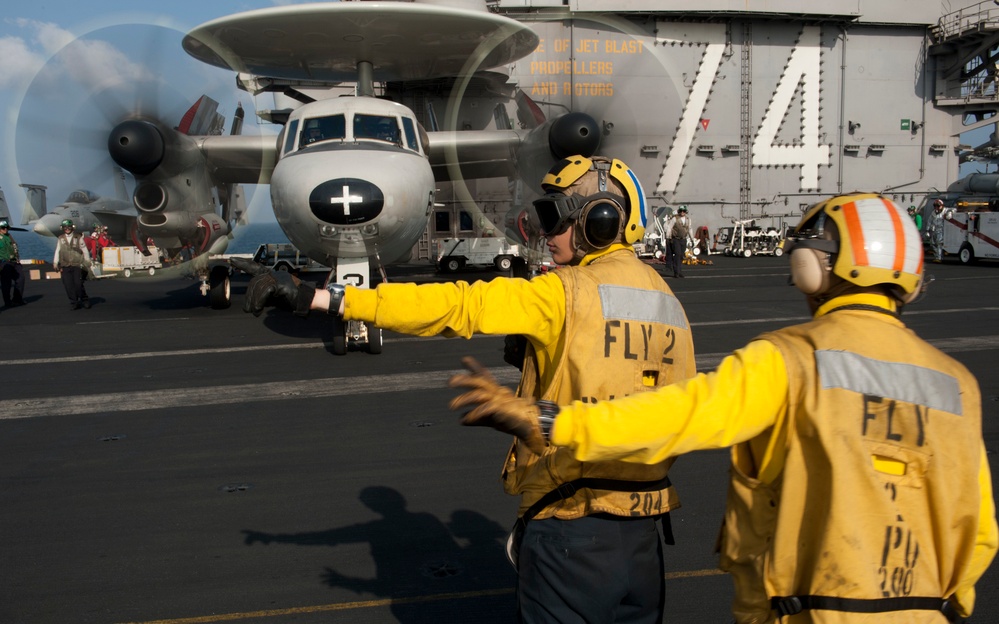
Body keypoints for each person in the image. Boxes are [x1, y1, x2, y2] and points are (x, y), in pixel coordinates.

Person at [448, 192, 998, 624]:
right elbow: (979, 536)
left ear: (816, 267)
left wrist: (550, 419)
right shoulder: (958, 386)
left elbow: (671, 417)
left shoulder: (788, 362)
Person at [236, 155, 697, 623]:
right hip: (644, 540)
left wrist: (325, 296)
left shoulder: (563, 291)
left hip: (571, 531)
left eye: (556, 218)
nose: (546, 233)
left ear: (600, 220)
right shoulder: (671, 305)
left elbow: (458, 305)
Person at [53, 218, 91, 310]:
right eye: (65, 227)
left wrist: (87, 261)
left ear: (72, 227)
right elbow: (58, 250)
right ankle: (74, 302)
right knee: (68, 285)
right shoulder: (60, 238)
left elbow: (85, 250)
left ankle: (84, 299)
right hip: (65, 265)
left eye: (69, 227)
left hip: (77, 264)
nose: (67, 229)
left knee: (78, 284)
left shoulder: (78, 237)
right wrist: (55, 262)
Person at [0, 219, 25, 307]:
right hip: (4, 262)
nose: (5, 229)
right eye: (3, 228)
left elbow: (14, 248)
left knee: (21, 279)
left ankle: (17, 299)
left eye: (7, 227)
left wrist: (17, 258)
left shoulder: (9, 236)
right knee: (6, 283)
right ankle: (7, 302)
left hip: (14, 262)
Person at [667, 205, 692, 278]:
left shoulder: (688, 219)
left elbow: (690, 229)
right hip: (676, 239)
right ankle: (676, 272)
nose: (682, 212)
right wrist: (668, 237)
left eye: (683, 211)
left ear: (685, 212)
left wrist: (692, 238)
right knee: (677, 254)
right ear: (679, 211)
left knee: (681, 255)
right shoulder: (675, 219)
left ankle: (680, 271)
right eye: (681, 211)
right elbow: (669, 228)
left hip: (683, 239)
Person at [927, 198, 950, 263]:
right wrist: (927, 230)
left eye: (938, 206)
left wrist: (950, 213)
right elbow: (929, 221)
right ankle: (936, 256)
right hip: (933, 230)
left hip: (941, 230)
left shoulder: (945, 210)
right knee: (933, 244)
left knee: (939, 243)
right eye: (935, 206)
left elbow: (954, 209)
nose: (936, 207)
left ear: (942, 206)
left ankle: (939, 258)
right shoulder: (933, 213)